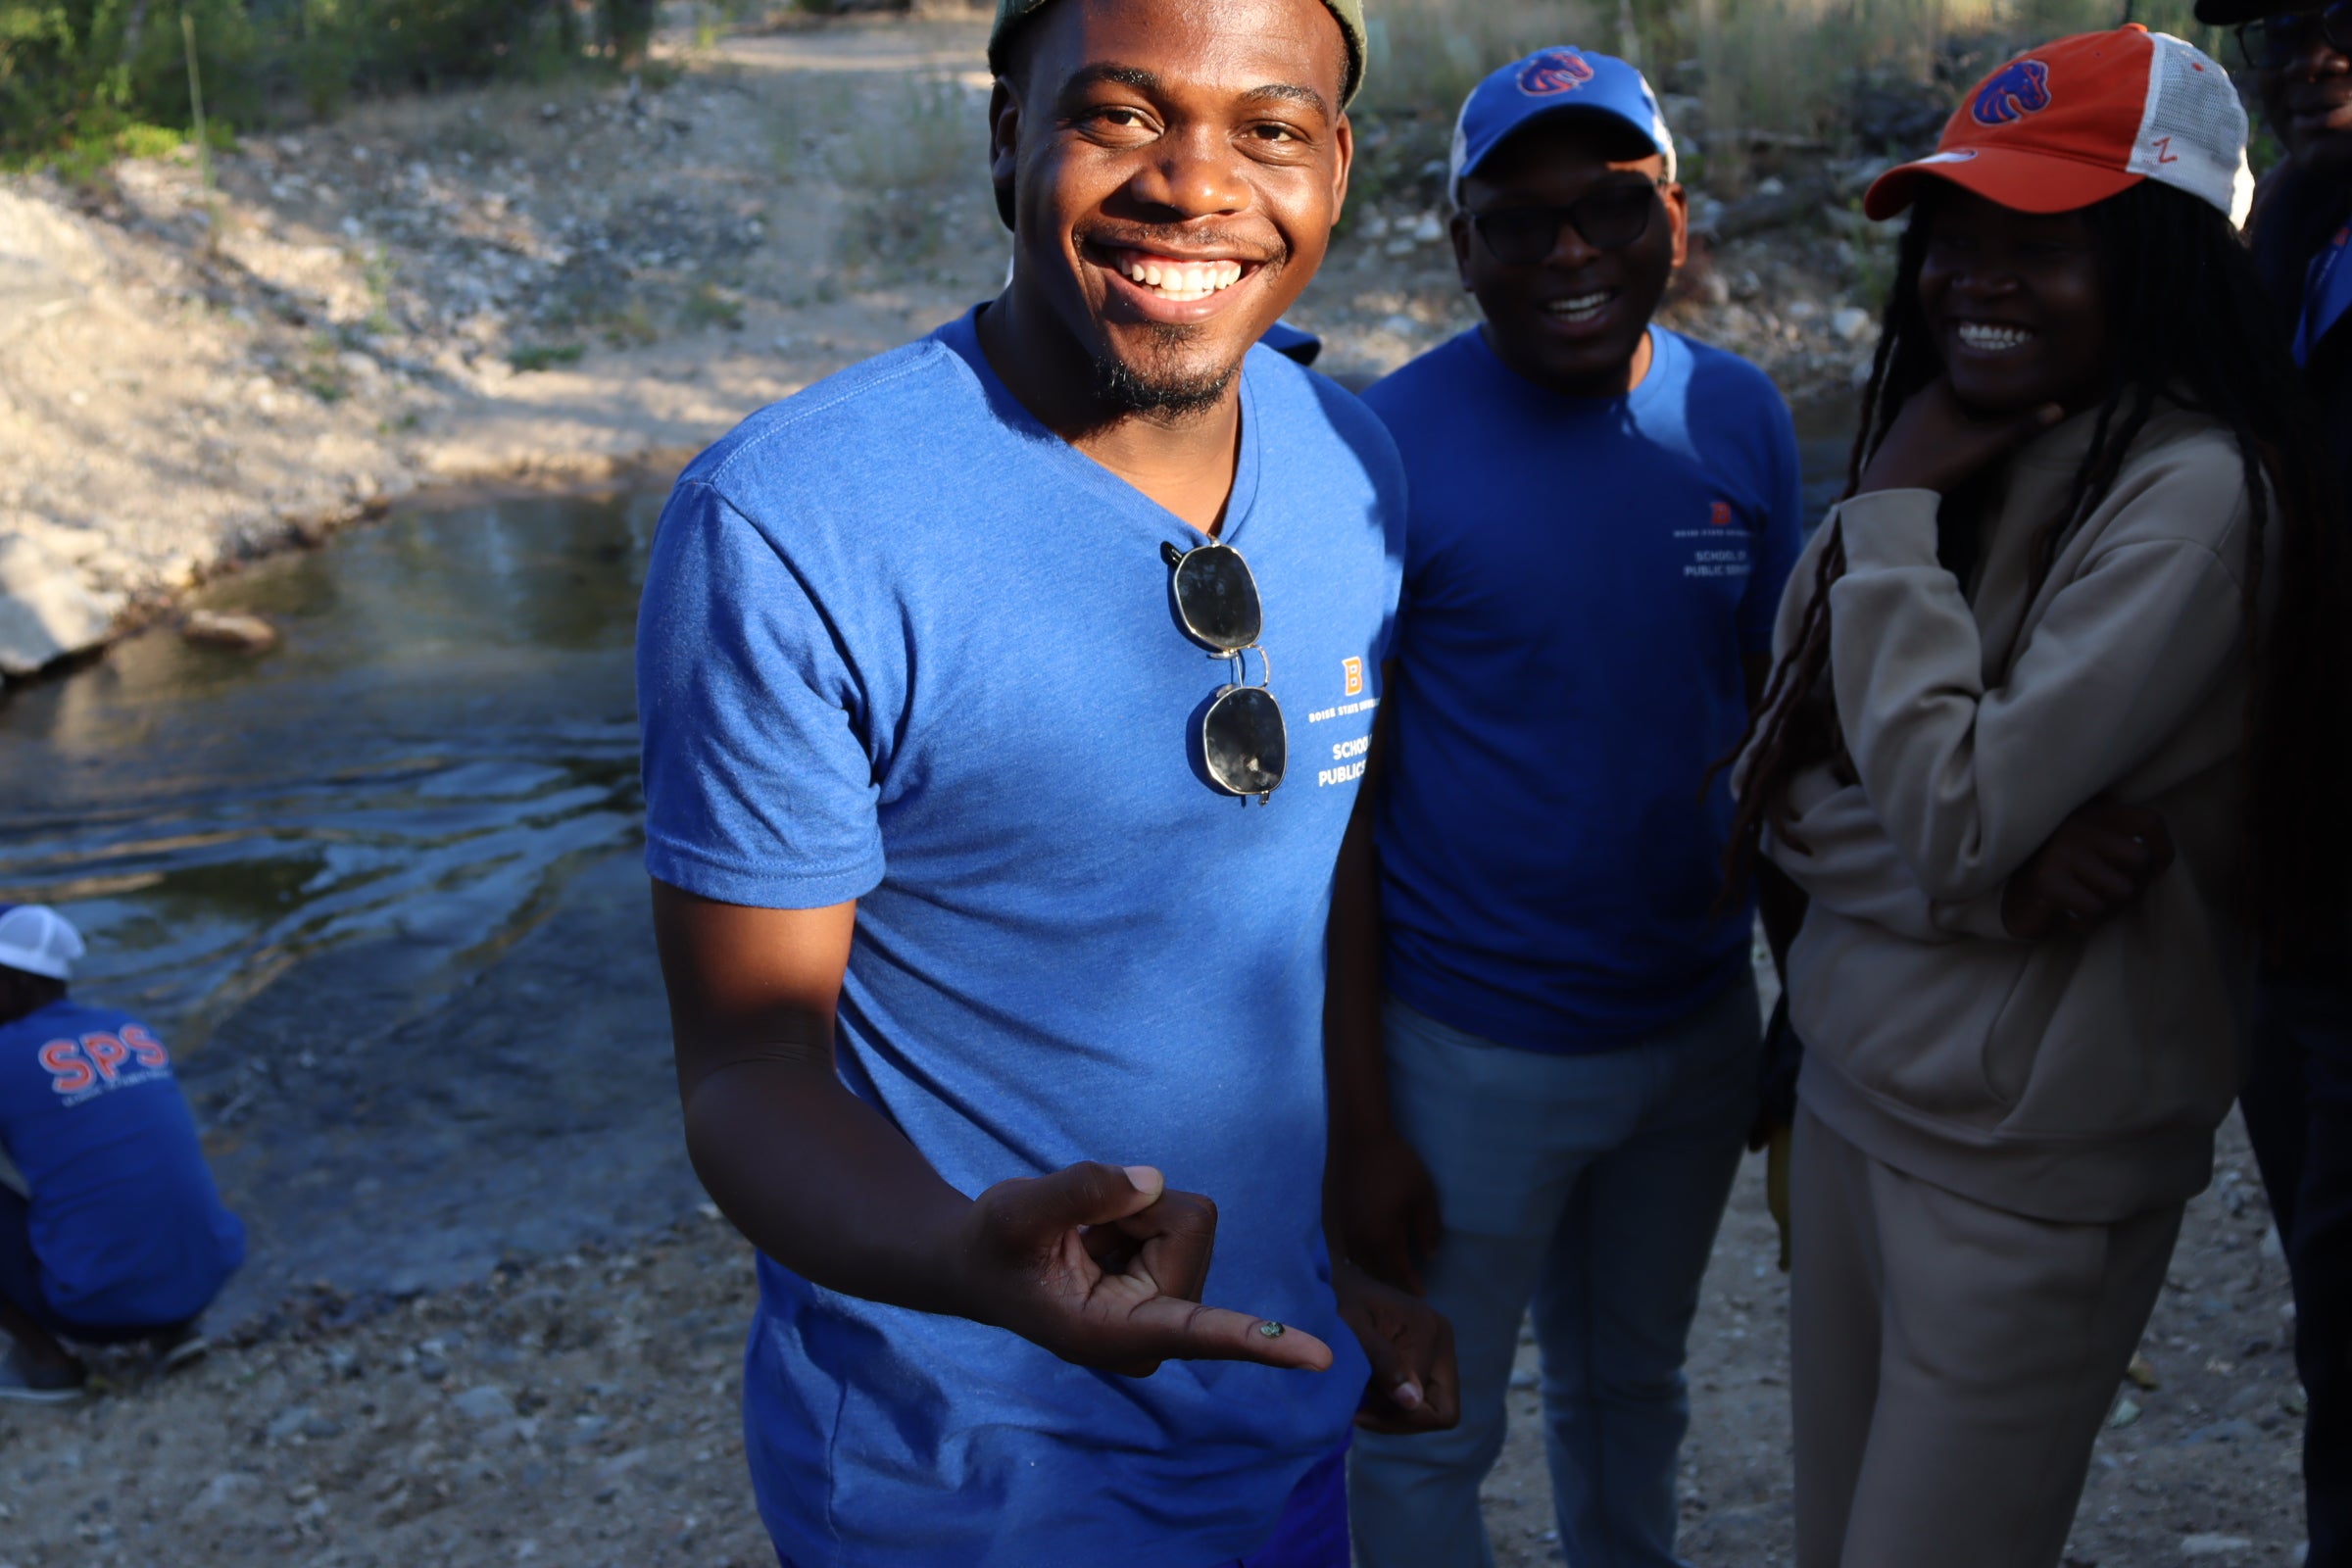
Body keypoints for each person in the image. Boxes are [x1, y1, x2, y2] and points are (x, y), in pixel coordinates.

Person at [633, 0, 1458, 1563]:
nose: (1195, 185)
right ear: (1008, 131)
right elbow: (749, 1074)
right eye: (1122, 116)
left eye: (1269, 130)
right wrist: (966, 1253)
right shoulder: (791, 527)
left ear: (1336, 170)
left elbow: (1308, 872)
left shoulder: (1358, 464)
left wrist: (1345, 1232)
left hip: (1276, 1419)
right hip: (963, 1473)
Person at [1727, 25, 2349, 1567]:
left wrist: (1883, 525)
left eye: (2043, 239)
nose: (1973, 279)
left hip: (2029, 1170)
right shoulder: (1941, 444)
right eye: (1958, 233)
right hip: (1858, 1094)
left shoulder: (2197, 496)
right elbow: (1764, 781)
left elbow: (1946, 807)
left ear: (2162, 253)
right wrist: (1991, 887)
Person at [1329, 45, 1803, 1568]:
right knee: (1424, 1421)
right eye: (1518, 222)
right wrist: (1360, 1115)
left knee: (1633, 1383)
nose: (1571, 250)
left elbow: (1780, 729)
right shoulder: (1379, 451)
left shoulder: (1739, 420)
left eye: (1609, 205)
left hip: (1694, 1027)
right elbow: (1337, 810)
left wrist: (1802, 1001)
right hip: (1469, 1051)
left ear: (1675, 212)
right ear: (1459, 242)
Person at [2190, 2, 2352, 1561]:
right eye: (2276, 25)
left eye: (2344, 12)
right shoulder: (2294, 244)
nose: (2312, 51)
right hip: (2292, 912)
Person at [0, 904, 246, 1401]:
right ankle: (173, 1329)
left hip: (94, 1313)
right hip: (204, 1280)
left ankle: (46, 1363)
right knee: (122, 1165)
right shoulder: (129, 1028)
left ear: (18, 984)